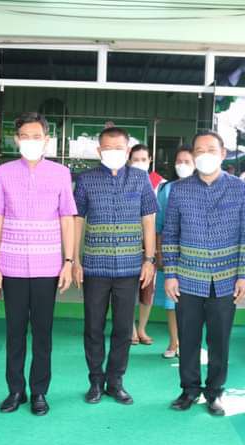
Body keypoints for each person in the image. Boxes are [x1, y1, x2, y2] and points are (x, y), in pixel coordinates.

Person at [0, 112, 76, 416]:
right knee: (14, 333)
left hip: (47, 267)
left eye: (37, 136)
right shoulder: (3, 173)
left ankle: (39, 392)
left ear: (47, 140)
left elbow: (67, 219)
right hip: (11, 266)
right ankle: (15, 390)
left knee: (42, 333)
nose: (31, 141)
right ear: (16, 139)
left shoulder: (60, 173)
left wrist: (68, 261)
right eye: (25, 136)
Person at [163, 132, 245, 415]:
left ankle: (215, 392)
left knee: (219, 340)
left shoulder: (239, 188)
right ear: (193, 154)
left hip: (226, 278)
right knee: (188, 338)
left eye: (211, 149)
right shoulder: (179, 189)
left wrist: (244, 275)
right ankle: (189, 390)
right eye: (199, 150)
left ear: (223, 153)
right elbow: (170, 233)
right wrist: (170, 273)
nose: (205, 154)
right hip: (188, 277)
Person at [73, 127, 157, 406]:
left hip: (129, 269)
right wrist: (74, 260)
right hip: (95, 267)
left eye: (118, 148)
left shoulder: (140, 179)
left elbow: (148, 220)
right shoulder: (86, 180)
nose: (113, 153)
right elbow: (77, 220)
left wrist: (149, 259)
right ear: (99, 151)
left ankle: (115, 382)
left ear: (127, 150)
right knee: (93, 327)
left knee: (123, 329)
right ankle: (95, 382)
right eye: (107, 148)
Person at [155, 146, 195, 358]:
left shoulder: (203, 187)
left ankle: (190, 343)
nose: (182, 165)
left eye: (187, 161)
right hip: (172, 255)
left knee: (194, 302)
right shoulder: (166, 189)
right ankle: (174, 342)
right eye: (179, 161)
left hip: (194, 256)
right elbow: (159, 225)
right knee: (172, 302)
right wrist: (160, 253)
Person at [128, 144, 166, 346]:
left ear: (150, 160)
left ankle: (142, 328)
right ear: (129, 161)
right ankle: (131, 329)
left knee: (147, 288)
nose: (140, 163)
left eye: (144, 159)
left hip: (150, 243)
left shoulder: (160, 184)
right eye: (136, 159)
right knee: (127, 289)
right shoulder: (123, 181)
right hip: (129, 242)